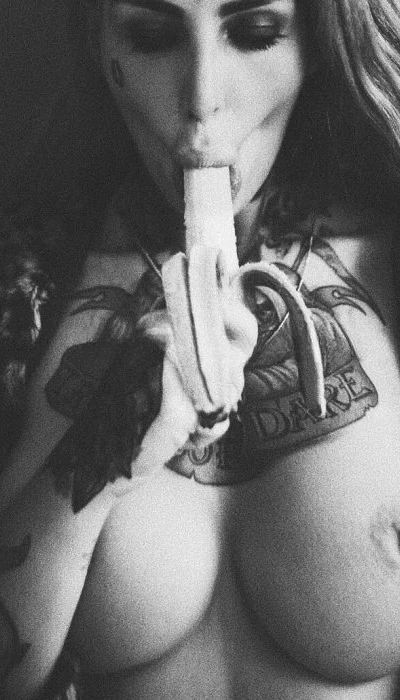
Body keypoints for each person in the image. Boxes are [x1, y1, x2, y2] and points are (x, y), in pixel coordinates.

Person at [1, 0, 400, 697]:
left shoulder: (388, 263)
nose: (202, 100)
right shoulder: (26, 288)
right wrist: (102, 447)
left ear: (316, 42)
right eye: (153, 36)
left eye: (256, 33)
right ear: (99, 42)